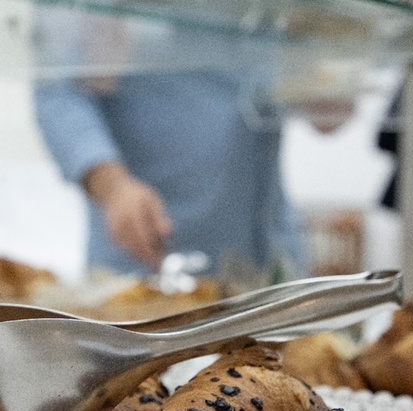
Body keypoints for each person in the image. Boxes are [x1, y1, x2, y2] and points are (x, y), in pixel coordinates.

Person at [32, 10, 351, 282]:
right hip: (151, 259)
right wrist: (113, 186)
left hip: (269, 260)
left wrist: (328, 68)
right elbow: (59, 95)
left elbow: (325, 110)